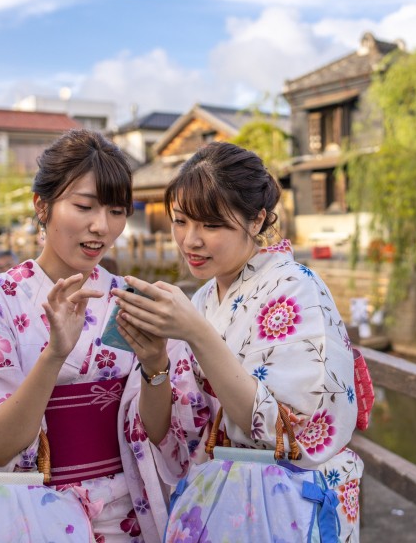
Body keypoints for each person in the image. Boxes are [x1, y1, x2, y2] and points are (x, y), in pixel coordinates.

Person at [0, 128, 207, 540]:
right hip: (26, 512)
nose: (101, 227)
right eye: (84, 206)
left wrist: (155, 366)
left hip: (123, 513)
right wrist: (54, 355)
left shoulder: (128, 299)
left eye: (116, 211)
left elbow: (161, 435)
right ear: (42, 205)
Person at [114, 142, 363, 541]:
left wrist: (196, 332)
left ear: (256, 219)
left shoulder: (296, 288)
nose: (190, 240)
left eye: (211, 225)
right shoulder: (204, 299)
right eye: (181, 221)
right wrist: (154, 361)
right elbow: (173, 431)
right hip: (223, 500)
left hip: (287, 504)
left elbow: (284, 431)